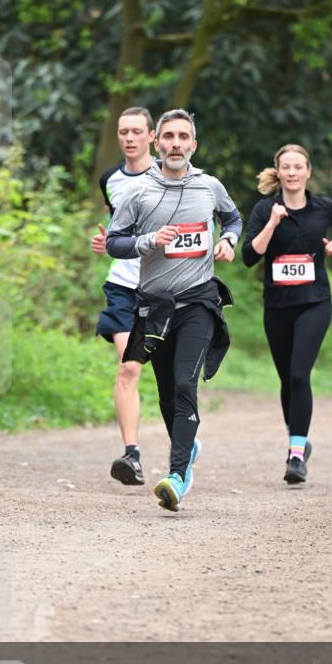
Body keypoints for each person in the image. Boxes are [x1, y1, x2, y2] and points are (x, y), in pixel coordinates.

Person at [106, 108, 242, 512]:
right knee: (167, 395)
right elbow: (115, 242)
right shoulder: (138, 192)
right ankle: (188, 442)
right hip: (154, 307)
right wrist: (148, 241)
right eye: (168, 137)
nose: (176, 144)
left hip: (199, 301)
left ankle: (178, 476)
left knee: (186, 384)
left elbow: (232, 218)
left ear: (193, 145)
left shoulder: (209, 186)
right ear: (157, 142)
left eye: (184, 137)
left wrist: (230, 240)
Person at [242, 144, 332, 485]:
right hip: (277, 307)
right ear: (278, 172)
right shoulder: (265, 209)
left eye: (298, 167)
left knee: (298, 375)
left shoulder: (323, 207)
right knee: (286, 380)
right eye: (286, 167)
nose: (292, 173)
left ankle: (295, 456)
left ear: (308, 172)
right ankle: (299, 439)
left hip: (314, 302)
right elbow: (250, 256)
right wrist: (273, 223)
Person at [92, 107, 156, 486]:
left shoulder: (171, 176)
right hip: (122, 286)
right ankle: (131, 455)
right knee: (129, 367)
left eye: (136, 132)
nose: (128, 138)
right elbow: (118, 228)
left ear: (151, 136)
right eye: (122, 132)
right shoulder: (110, 179)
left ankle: (185, 441)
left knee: (169, 377)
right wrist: (106, 242)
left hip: (165, 287)